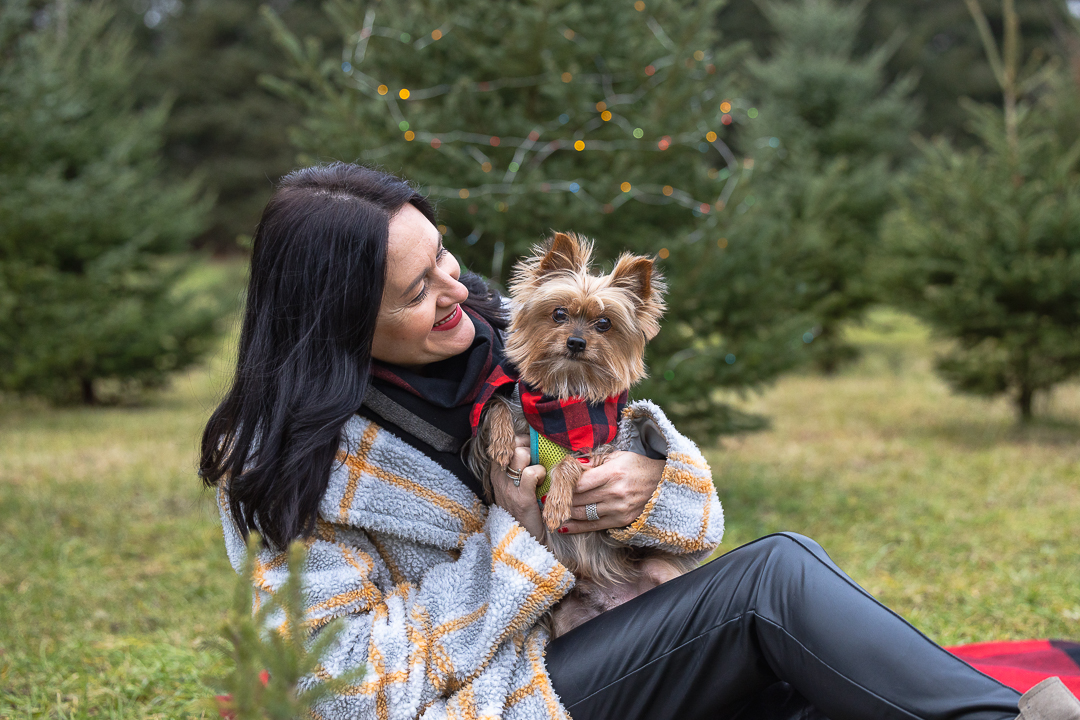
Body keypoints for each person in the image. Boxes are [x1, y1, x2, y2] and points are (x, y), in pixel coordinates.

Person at [200, 163, 1073, 720]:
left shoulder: (514, 335)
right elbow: (343, 687)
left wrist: (652, 481)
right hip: (510, 696)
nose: (455, 293)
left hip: (609, 626)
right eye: (415, 290)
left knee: (810, 686)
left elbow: (687, 510)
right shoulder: (288, 462)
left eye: (446, 260)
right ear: (340, 316)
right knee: (770, 581)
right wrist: (519, 545)